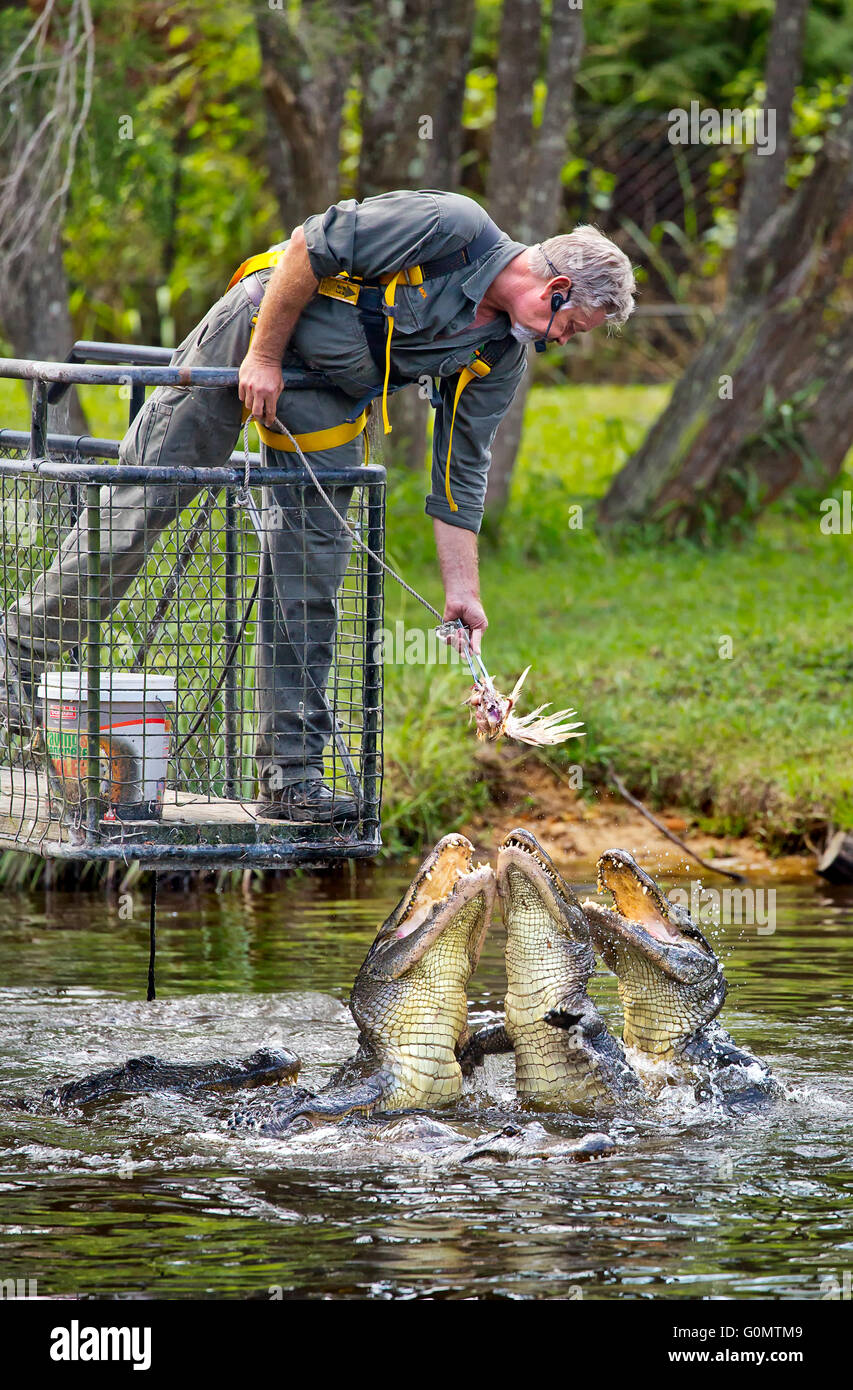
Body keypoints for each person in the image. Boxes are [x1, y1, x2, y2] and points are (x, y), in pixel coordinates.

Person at [0, 190, 635, 823]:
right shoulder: (453, 226)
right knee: (138, 512)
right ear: (555, 288)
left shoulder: (500, 353)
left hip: (332, 395)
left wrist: (462, 590)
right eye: (571, 326)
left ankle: (290, 776)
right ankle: (16, 661)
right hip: (255, 334)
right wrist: (265, 358)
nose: (565, 341)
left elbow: (461, 469)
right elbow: (309, 245)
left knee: (310, 575)